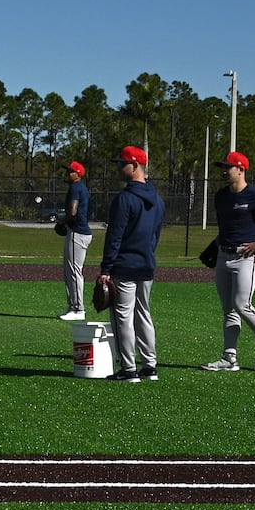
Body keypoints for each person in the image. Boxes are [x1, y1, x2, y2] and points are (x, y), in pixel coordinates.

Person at [204, 150, 255, 372]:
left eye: (227, 167)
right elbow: (226, 228)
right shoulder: (221, 196)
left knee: (243, 305)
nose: (223, 171)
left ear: (241, 169)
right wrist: (213, 248)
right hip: (224, 255)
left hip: (246, 257)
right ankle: (229, 358)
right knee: (229, 310)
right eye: (223, 167)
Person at [96, 146, 166, 382]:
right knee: (143, 314)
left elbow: (115, 236)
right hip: (146, 263)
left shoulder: (124, 199)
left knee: (123, 316)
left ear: (135, 166)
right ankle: (150, 366)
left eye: (123, 163)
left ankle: (128, 369)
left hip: (125, 264)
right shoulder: (157, 199)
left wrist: (106, 268)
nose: (119, 167)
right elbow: (156, 234)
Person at [58, 161, 93, 320]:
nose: (67, 174)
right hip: (79, 232)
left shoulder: (76, 188)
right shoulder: (80, 188)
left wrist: (62, 221)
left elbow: (73, 212)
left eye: (70, 171)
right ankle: (74, 306)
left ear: (78, 174)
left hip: (78, 232)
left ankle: (78, 309)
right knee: (71, 271)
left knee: (73, 271)